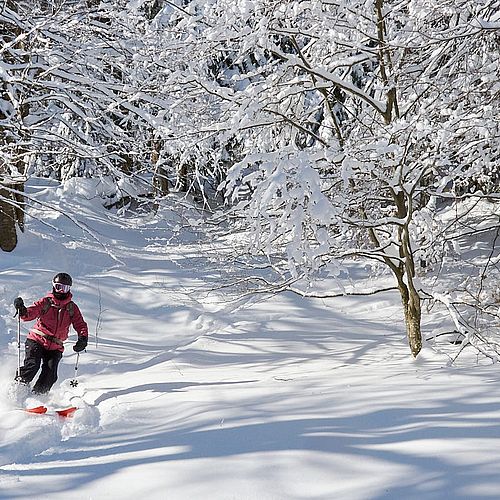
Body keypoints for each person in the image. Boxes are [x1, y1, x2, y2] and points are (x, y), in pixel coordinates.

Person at [13, 272, 88, 395]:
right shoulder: (46, 302)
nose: (61, 291)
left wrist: (83, 338)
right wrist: (22, 310)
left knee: (50, 374)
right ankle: (17, 390)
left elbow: (80, 324)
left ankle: (37, 396)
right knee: (32, 365)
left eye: (65, 288)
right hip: (37, 339)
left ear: (69, 289)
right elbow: (31, 312)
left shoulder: (71, 308)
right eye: (59, 287)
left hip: (56, 346)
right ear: (53, 286)